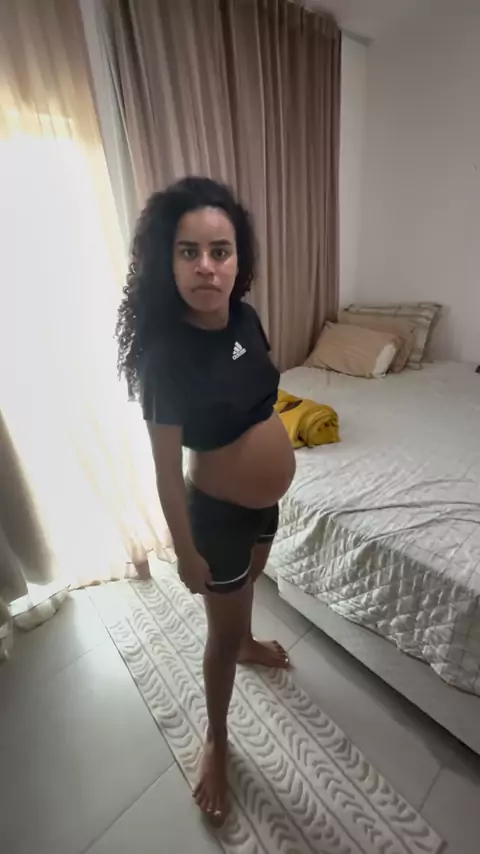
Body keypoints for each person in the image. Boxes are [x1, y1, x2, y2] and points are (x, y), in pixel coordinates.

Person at [116, 176, 296, 824]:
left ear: (238, 259)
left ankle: (246, 640)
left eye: (220, 251)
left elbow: (260, 394)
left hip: (263, 508)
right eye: (188, 251)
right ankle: (217, 740)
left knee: (245, 594)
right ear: (168, 262)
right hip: (216, 518)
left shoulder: (246, 319)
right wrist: (186, 551)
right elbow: (167, 473)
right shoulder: (165, 359)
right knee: (217, 637)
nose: (206, 266)